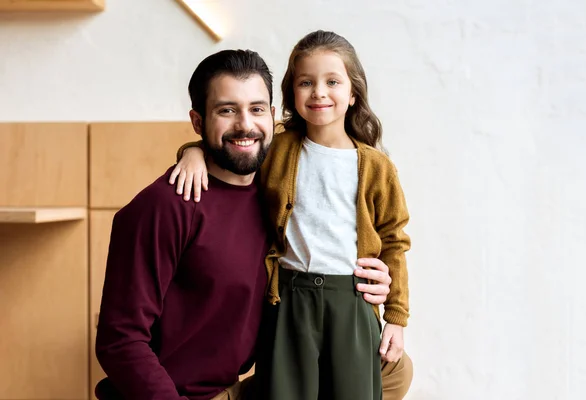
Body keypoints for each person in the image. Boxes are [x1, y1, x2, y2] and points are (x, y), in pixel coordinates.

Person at [95, 49, 403, 400]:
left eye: (256, 109)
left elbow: (365, 238)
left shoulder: (278, 191)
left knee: (395, 368)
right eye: (227, 110)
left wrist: (374, 279)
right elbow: (120, 340)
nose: (245, 125)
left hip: (243, 387)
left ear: (272, 117)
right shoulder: (165, 206)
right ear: (198, 122)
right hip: (178, 394)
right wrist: (192, 153)